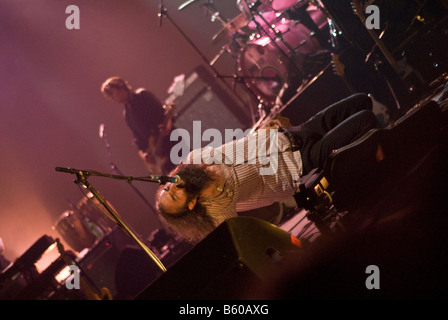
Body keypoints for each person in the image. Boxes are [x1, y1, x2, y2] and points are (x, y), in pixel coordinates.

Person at [155, 93, 380, 243]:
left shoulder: (194, 159)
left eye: (167, 190)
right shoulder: (216, 210)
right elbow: (237, 232)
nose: (171, 189)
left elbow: (232, 151)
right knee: (364, 120)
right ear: (191, 204)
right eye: (174, 197)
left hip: (290, 134)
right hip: (298, 165)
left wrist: (261, 132)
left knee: (361, 101)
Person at [101, 77, 176, 175]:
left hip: (173, 143)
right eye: (110, 97)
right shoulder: (127, 115)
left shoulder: (142, 96)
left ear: (121, 86)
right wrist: (145, 155)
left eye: (112, 93)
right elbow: (138, 140)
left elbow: (165, 114)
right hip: (162, 159)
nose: (112, 98)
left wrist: (167, 125)